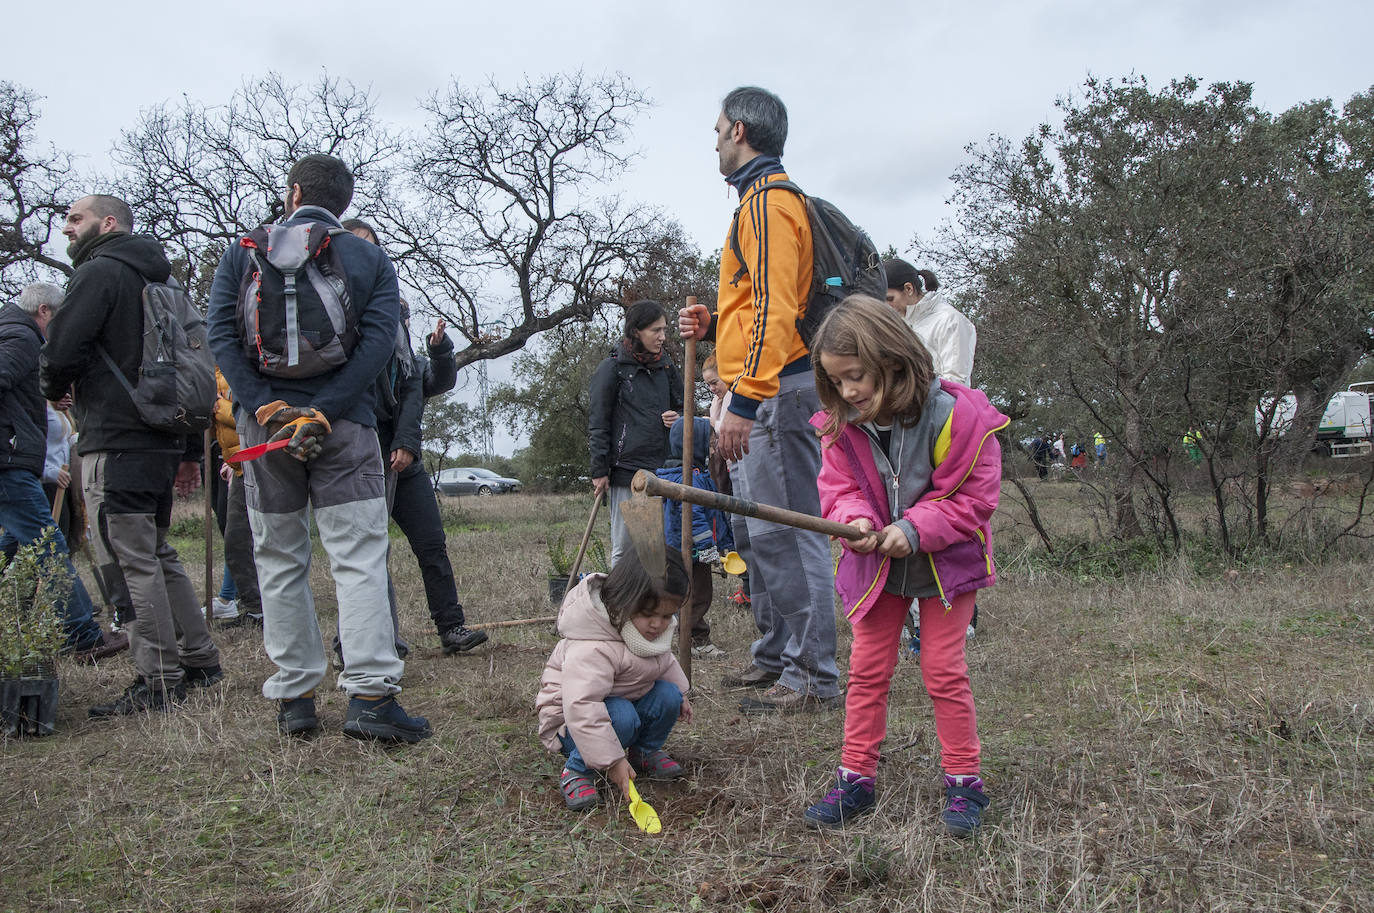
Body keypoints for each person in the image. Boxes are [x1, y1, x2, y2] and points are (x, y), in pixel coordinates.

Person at [207, 154, 428, 742]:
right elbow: (380, 342)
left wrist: (265, 406)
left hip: (265, 431)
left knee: (279, 558)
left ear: (294, 191)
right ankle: (371, 700)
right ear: (343, 204)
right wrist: (326, 409)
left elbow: (221, 338)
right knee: (357, 558)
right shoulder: (367, 256)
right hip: (346, 425)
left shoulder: (242, 250)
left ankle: (296, 700)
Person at [802, 296, 1007, 836]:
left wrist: (915, 529)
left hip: (946, 566)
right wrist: (857, 522)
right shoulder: (838, 427)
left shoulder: (960, 416)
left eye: (856, 376)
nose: (848, 391)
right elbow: (839, 491)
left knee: (943, 672)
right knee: (867, 671)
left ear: (894, 358)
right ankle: (855, 779)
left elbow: (973, 499)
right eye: (837, 381)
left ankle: (965, 783)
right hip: (876, 570)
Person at [679, 85, 841, 712]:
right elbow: (762, 303)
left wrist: (744, 402)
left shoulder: (770, 203)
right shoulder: (756, 203)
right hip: (766, 388)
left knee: (793, 531)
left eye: (718, 130)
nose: (714, 142)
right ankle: (777, 656)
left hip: (778, 393)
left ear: (740, 131)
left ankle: (813, 678)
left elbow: (779, 307)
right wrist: (718, 324)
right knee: (759, 533)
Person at [39, 198, 221, 715]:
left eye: (76, 219)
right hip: (160, 436)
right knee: (157, 552)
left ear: (107, 223)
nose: (67, 228)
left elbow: (60, 349)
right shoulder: (160, 280)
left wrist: (53, 386)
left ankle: (159, 678)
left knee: (130, 560)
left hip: (117, 439)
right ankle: (201, 658)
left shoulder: (100, 273)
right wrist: (188, 446)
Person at [341, 218, 486, 655]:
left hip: (404, 459)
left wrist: (441, 350)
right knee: (366, 556)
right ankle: (367, 638)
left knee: (431, 545)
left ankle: (451, 628)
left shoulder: (395, 314)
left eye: (371, 247)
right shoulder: (337, 324)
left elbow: (421, 385)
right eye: (355, 245)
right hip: (359, 455)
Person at [1, 282, 125, 662]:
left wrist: (42, 395)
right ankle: (82, 634)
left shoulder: (9, 331)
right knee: (47, 545)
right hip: (8, 460)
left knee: (17, 544)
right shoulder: (22, 338)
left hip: (9, 457)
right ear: (44, 312)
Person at [536, 542, 692, 812]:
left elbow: (663, 659)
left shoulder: (644, 631)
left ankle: (642, 751)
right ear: (624, 600)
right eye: (648, 614)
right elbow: (582, 705)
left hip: (619, 711)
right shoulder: (592, 645)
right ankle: (576, 769)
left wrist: (682, 693)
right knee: (621, 715)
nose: (658, 624)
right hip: (571, 723)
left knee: (668, 695)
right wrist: (613, 761)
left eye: (667, 615)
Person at [589, 300, 682, 566]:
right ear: (636, 331)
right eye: (656, 330)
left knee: (657, 550)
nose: (663, 337)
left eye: (665, 330)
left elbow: (684, 407)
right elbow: (598, 423)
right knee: (626, 549)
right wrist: (599, 471)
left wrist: (678, 418)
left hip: (664, 470)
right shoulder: (612, 368)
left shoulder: (666, 367)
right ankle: (622, 605)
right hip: (628, 472)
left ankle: (656, 607)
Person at [656, 416, 733, 657]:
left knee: (680, 593)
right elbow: (695, 517)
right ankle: (697, 641)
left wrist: (726, 543)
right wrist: (708, 548)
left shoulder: (674, 474)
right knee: (697, 595)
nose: (713, 449)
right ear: (695, 444)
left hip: (676, 549)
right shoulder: (691, 478)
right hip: (693, 551)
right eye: (710, 443)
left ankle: (674, 635)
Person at [702, 355, 750, 608]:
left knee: (740, 525)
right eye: (708, 385)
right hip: (728, 468)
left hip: (741, 465)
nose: (712, 388)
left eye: (714, 382)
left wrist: (708, 423)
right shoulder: (716, 401)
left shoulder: (736, 397)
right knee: (734, 525)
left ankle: (751, 585)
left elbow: (727, 427)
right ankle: (748, 584)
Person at [882, 260, 976, 386]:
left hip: (943, 404)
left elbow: (955, 381)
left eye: (890, 299)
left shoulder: (950, 320)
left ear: (908, 289)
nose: (887, 306)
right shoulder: (898, 326)